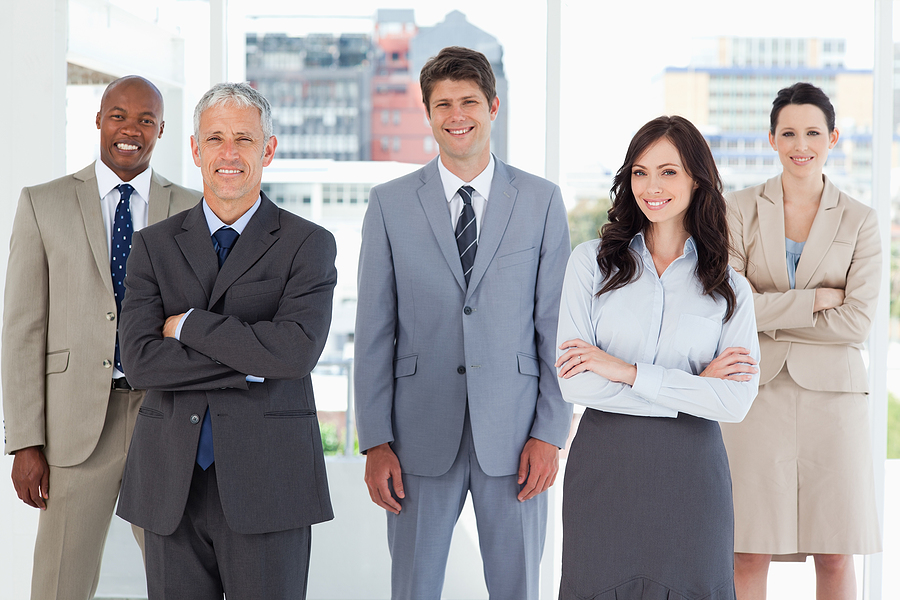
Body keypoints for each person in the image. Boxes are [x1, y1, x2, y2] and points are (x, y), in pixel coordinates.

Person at [354, 46, 572, 600]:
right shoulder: (389, 204)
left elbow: (555, 327)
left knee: (517, 588)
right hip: (416, 436)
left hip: (517, 435)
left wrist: (550, 432)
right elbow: (375, 330)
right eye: (443, 104)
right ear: (427, 114)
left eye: (469, 101)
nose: (457, 115)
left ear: (493, 106)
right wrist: (375, 440)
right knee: (414, 589)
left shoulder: (542, 202)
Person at [114, 82, 337, 598]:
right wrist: (253, 362)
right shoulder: (153, 246)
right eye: (215, 138)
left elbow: (296, 352)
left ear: (269, 150)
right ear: (195, 150)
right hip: (171, 484)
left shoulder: (308, 244)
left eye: (244, 138)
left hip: (270, 484)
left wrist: (190, 326)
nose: (229, 153)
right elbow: (143, 363)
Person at [2, 75, 200, 600]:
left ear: (161, 130)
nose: (130, 130)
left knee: (181, 576)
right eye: (118, 115)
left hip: (166, 415)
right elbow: (22, 329)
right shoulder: (43, 204)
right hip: (73, 426)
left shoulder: (192, 209)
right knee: (59, 585)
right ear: (98, 119)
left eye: (145, 120)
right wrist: (25, 440)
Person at [555, 115, 760, 600]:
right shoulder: (591, 263)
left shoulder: (730, 288)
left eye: (668, 171)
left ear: (696, 179)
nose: (652, 186)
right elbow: (575, 384)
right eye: (640, 171)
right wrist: (693, 388)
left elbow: (734, 404)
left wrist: (625, 372)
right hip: (605, 471)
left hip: (692, 479)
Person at [720, 82, 882, 600]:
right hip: (754, 393)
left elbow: (857, 323)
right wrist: (814, 300)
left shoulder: (861, 220)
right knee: (748, 547)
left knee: (835, 552)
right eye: (788, 133)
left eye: (813, 132)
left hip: (834, 402)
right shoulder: (738, 209)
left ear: (832, 137)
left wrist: (764, 311)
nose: (800, 144)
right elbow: (729, 309)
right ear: (771, 139)